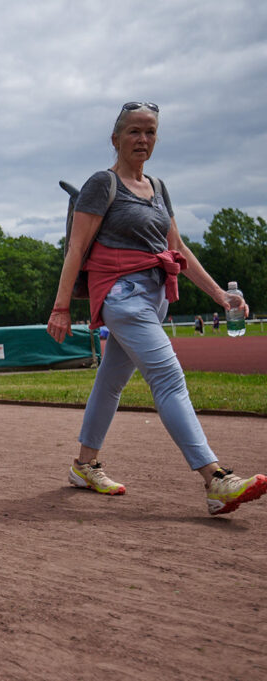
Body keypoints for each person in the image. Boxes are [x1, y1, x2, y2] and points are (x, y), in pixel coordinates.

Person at [47, 101, 265, 516]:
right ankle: (216, 480)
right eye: (133, 131)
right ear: (116, 139)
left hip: (155, 296)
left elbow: (177, 249)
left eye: (149, 132)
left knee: (109, 383)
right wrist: (61, 307)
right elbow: (76, 248)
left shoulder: (159, 188)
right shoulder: (102, 184)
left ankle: (84, 465)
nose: (142, 139)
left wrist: (221, 296)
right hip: (122, 296)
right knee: (168, 378)